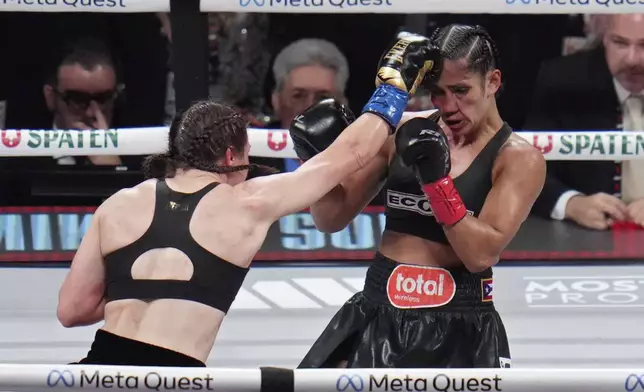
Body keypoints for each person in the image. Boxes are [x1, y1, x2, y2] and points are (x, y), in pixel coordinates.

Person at [55, 32, 442, 367]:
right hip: (173, 378)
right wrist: (394, 85)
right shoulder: (248, 202)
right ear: (230, 157)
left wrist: (142, 286)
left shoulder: (119, 203)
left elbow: (71, 312)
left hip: (97, 371)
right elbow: (350, 154)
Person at [296, 24, 547, 369]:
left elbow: (480, 254)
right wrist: (319, 161)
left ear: (492, 82)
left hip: (459, 323)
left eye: (461, 90)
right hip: (378, 308)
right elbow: (331, 218)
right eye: (437, 92)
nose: (449, 106)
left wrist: (436, 183)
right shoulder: (402, 132)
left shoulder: (517, 158)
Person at [526, 14, 644, 229]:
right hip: (582, 239)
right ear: (605, 38)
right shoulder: (563, 80)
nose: (632, 59)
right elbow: (525, 169)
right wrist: (572, 203)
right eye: (619, 43)